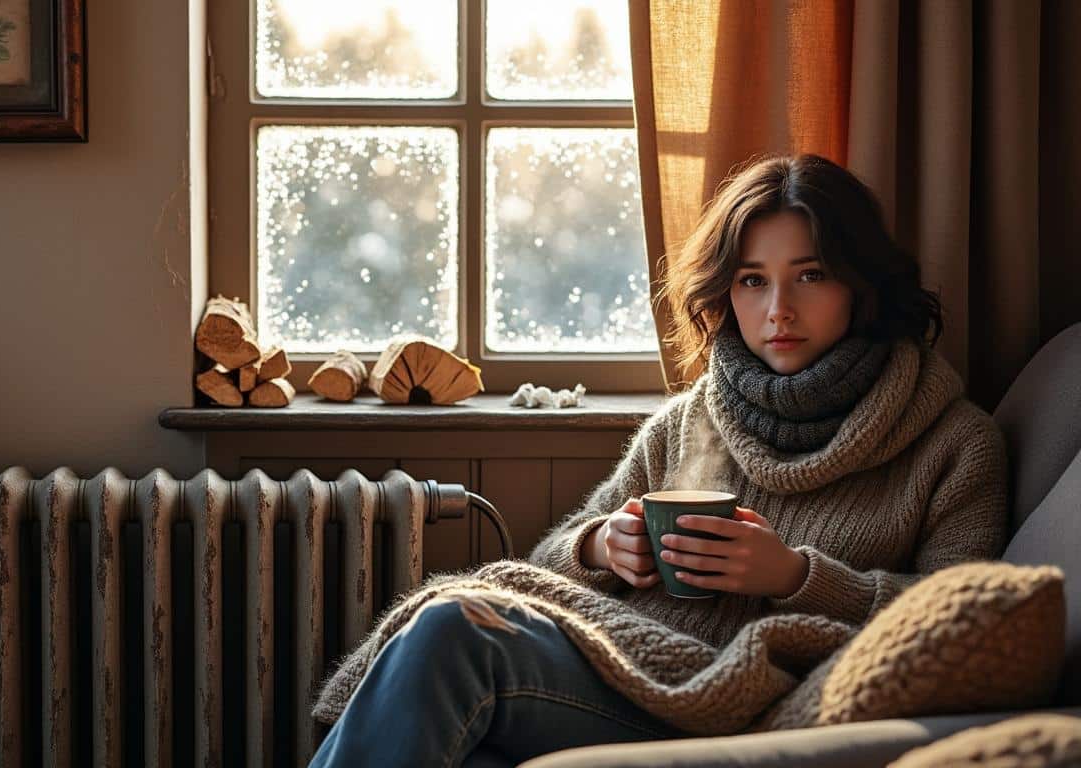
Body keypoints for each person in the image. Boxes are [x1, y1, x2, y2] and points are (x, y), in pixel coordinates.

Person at [308, 154, 1009, 767]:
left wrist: (796, 577)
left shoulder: (955, 445)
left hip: (752, 703)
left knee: (455, 629)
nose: (778, 311)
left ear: (862, 285)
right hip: (630, 671)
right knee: (461, 671)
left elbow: (969, 625)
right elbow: (552, 556)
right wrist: (600, 545)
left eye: (811, 275)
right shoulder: (689, 421)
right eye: (753, 281)